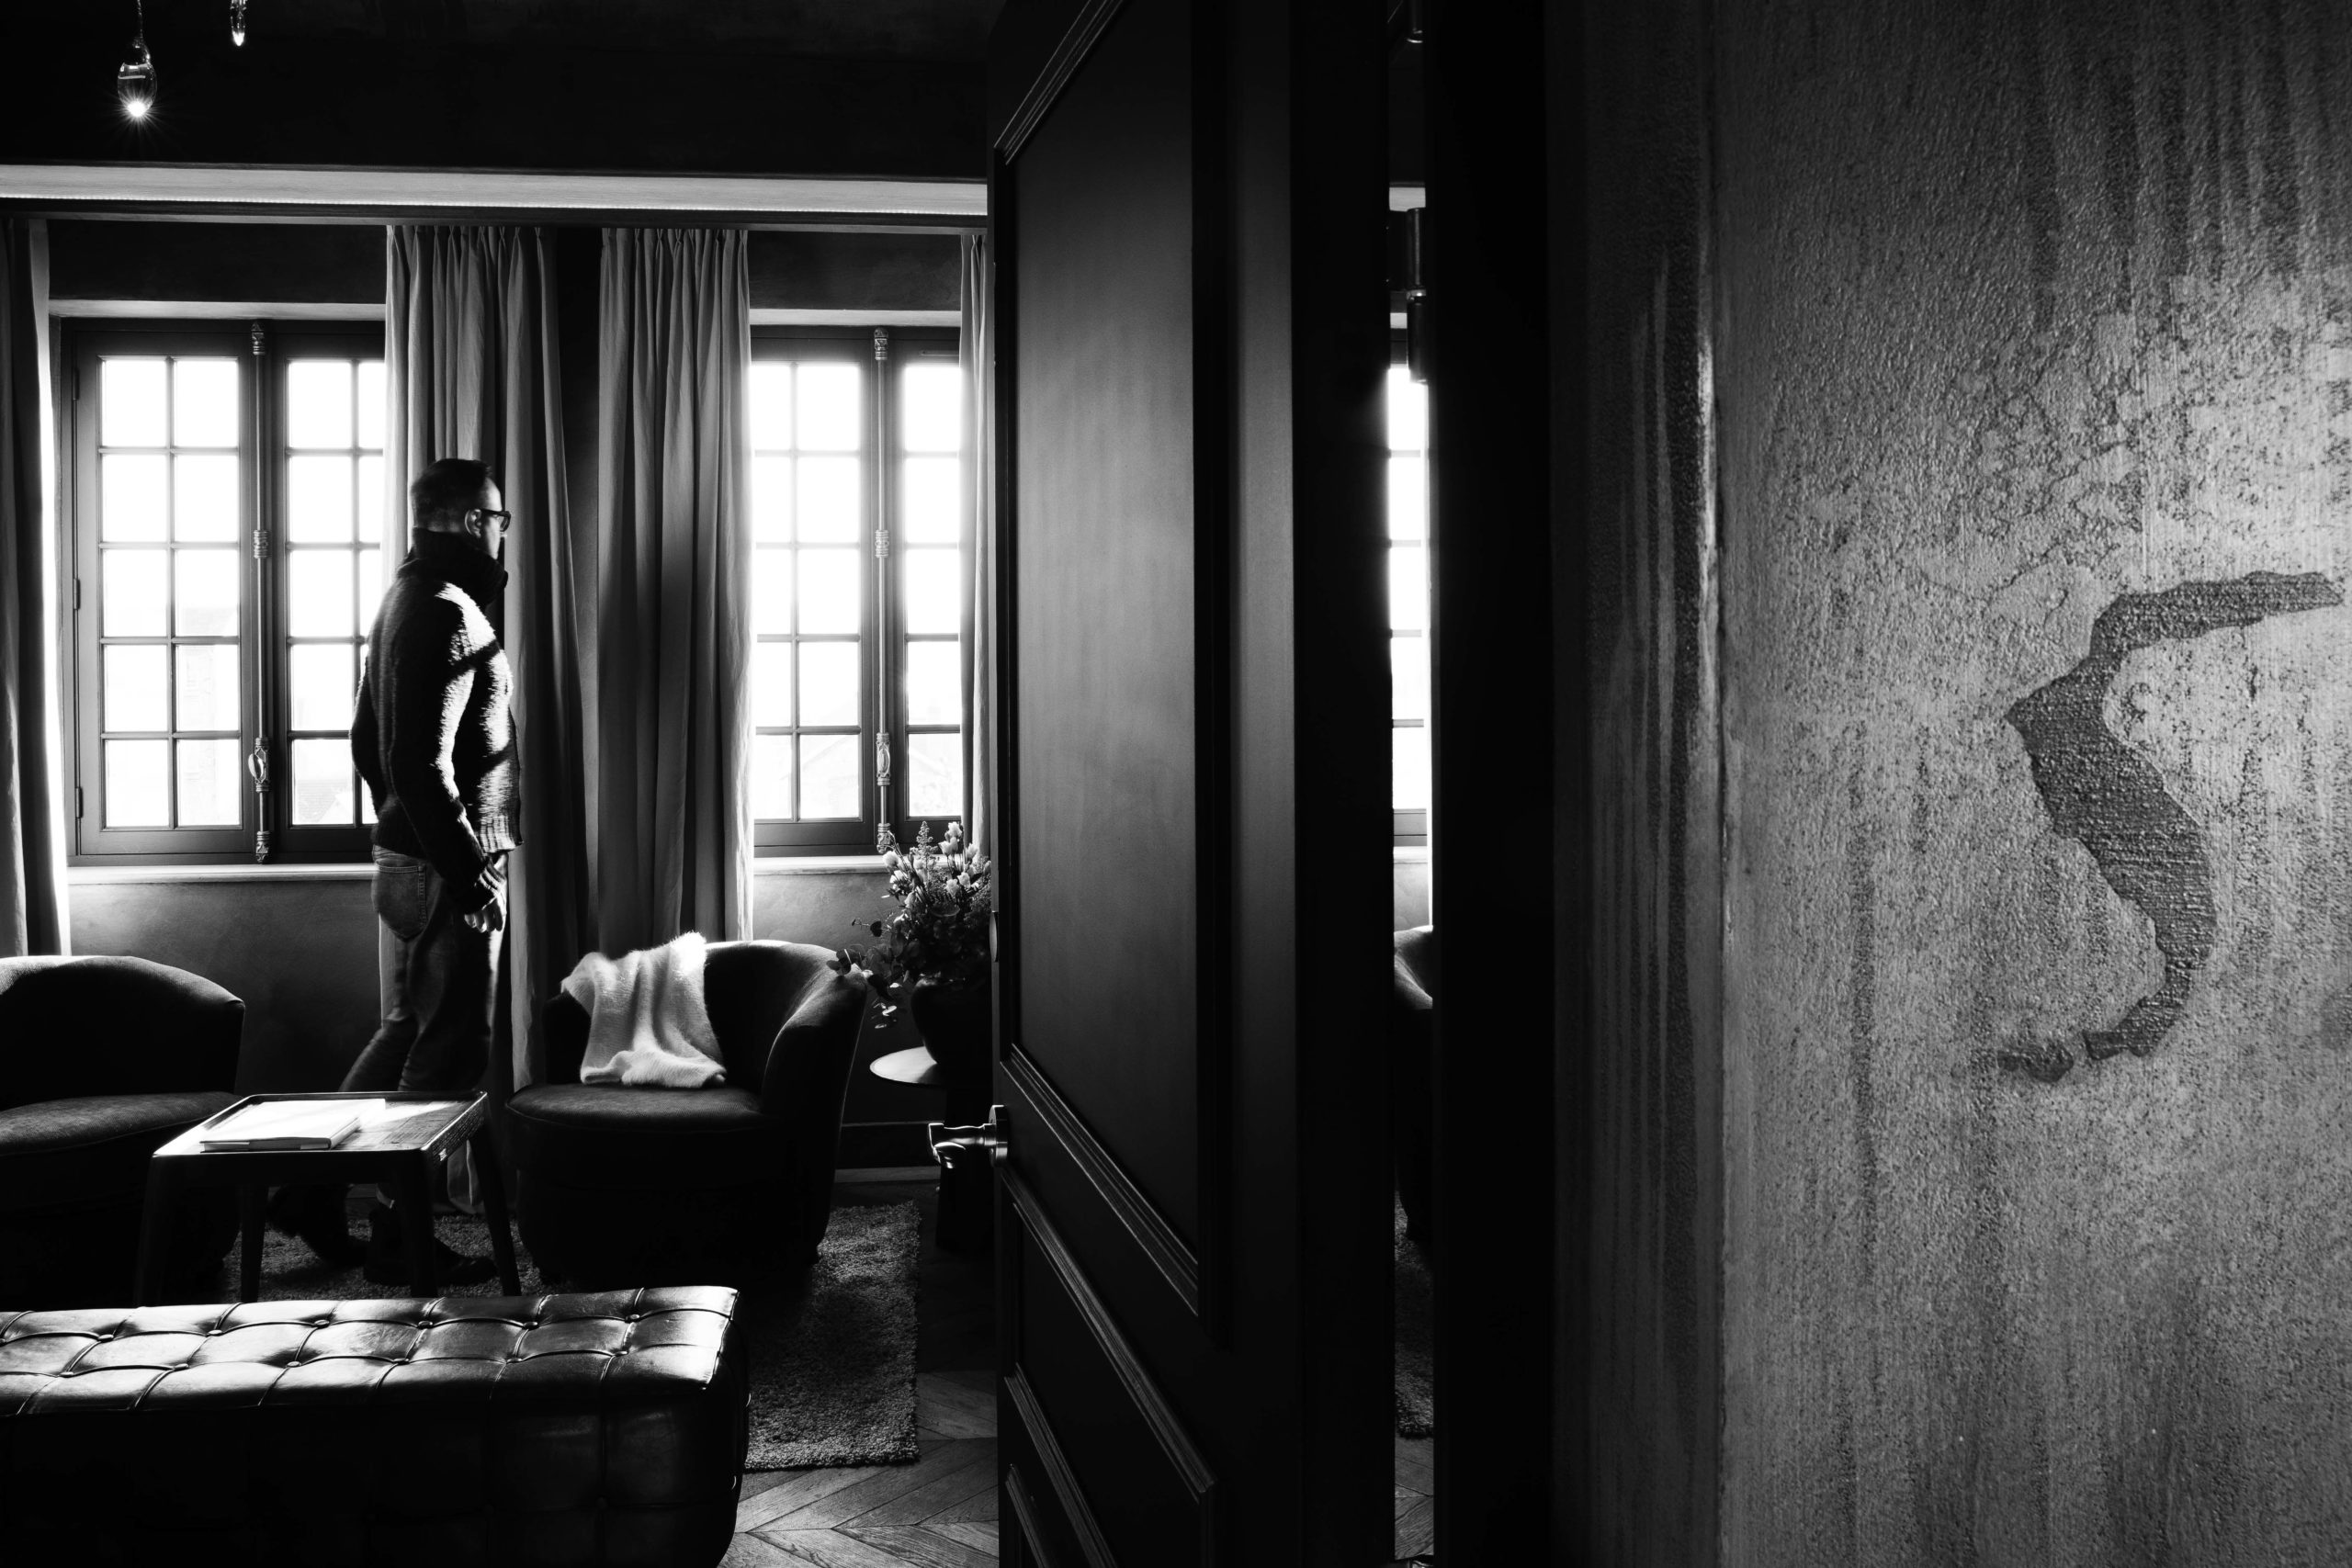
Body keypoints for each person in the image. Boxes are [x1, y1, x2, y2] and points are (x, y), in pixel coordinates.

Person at [266, 457, 517, 1284]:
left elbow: (366, 742)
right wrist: (468, 867)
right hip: (449, 863)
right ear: (474, 521)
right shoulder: (444, 610)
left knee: (407, 1030)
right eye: (499, 519)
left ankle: (309, 1193)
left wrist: (403, 828)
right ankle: (397, 1233)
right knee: (448, 1051)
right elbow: (414, 759)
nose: (502, 534)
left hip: (414, 857)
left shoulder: (404, 599)